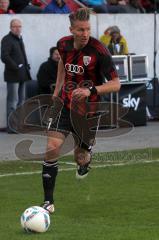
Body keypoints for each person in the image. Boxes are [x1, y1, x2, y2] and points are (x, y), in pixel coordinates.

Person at [41, 8, 120, 214]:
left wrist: (90, 90)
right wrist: (57, 94)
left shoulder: (99, 51)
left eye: (88, 29)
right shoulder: (63, 45)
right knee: (52, 146)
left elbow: (116, 84)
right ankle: (48, 203)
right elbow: (62, 66)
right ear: (72, 30)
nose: (85, 33)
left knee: (80, 156)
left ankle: (86, 157)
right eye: (80, 29)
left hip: (88, 111)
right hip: (65, 106)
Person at [1, 19, 32, 133]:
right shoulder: (7, 39)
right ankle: (12, 127)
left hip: (23, 75)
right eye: (15, 26)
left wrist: (25, 67)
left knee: (21, 101)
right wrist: (16, 67)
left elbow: (22, 56)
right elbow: (4, 56)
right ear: (10, 27)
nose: (18, 28)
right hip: (13, 75)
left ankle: (19, 126)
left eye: (19, 26)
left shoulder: (19, 39)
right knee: (12, 102)